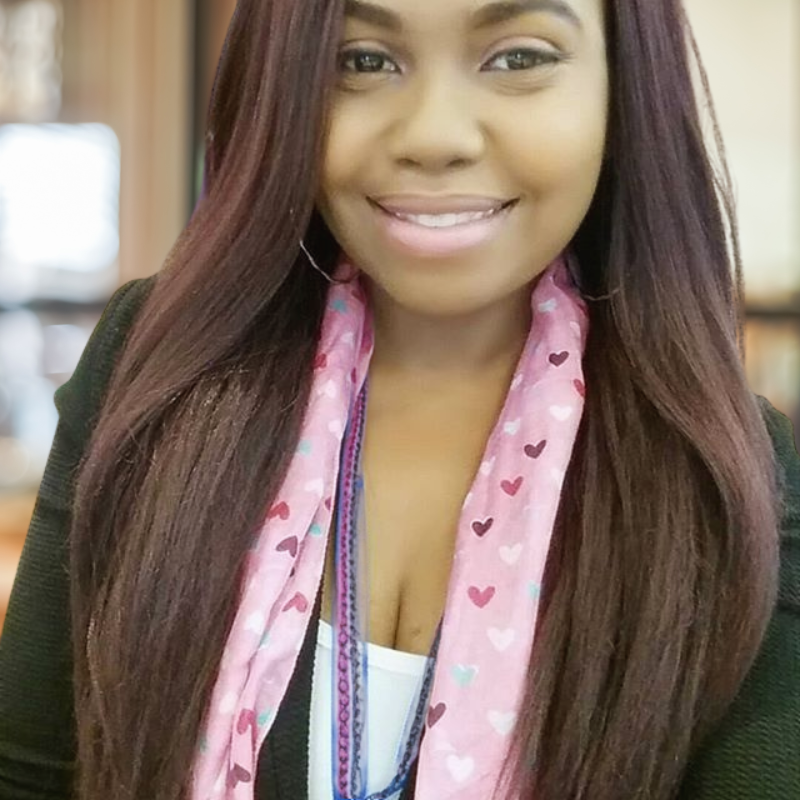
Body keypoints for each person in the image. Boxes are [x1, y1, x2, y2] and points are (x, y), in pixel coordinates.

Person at [0, 0, 798, 798]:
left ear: (624, 91)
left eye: (519, 57)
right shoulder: (165, 366)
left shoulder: (732, 478)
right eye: (363, 60)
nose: (433, 135)